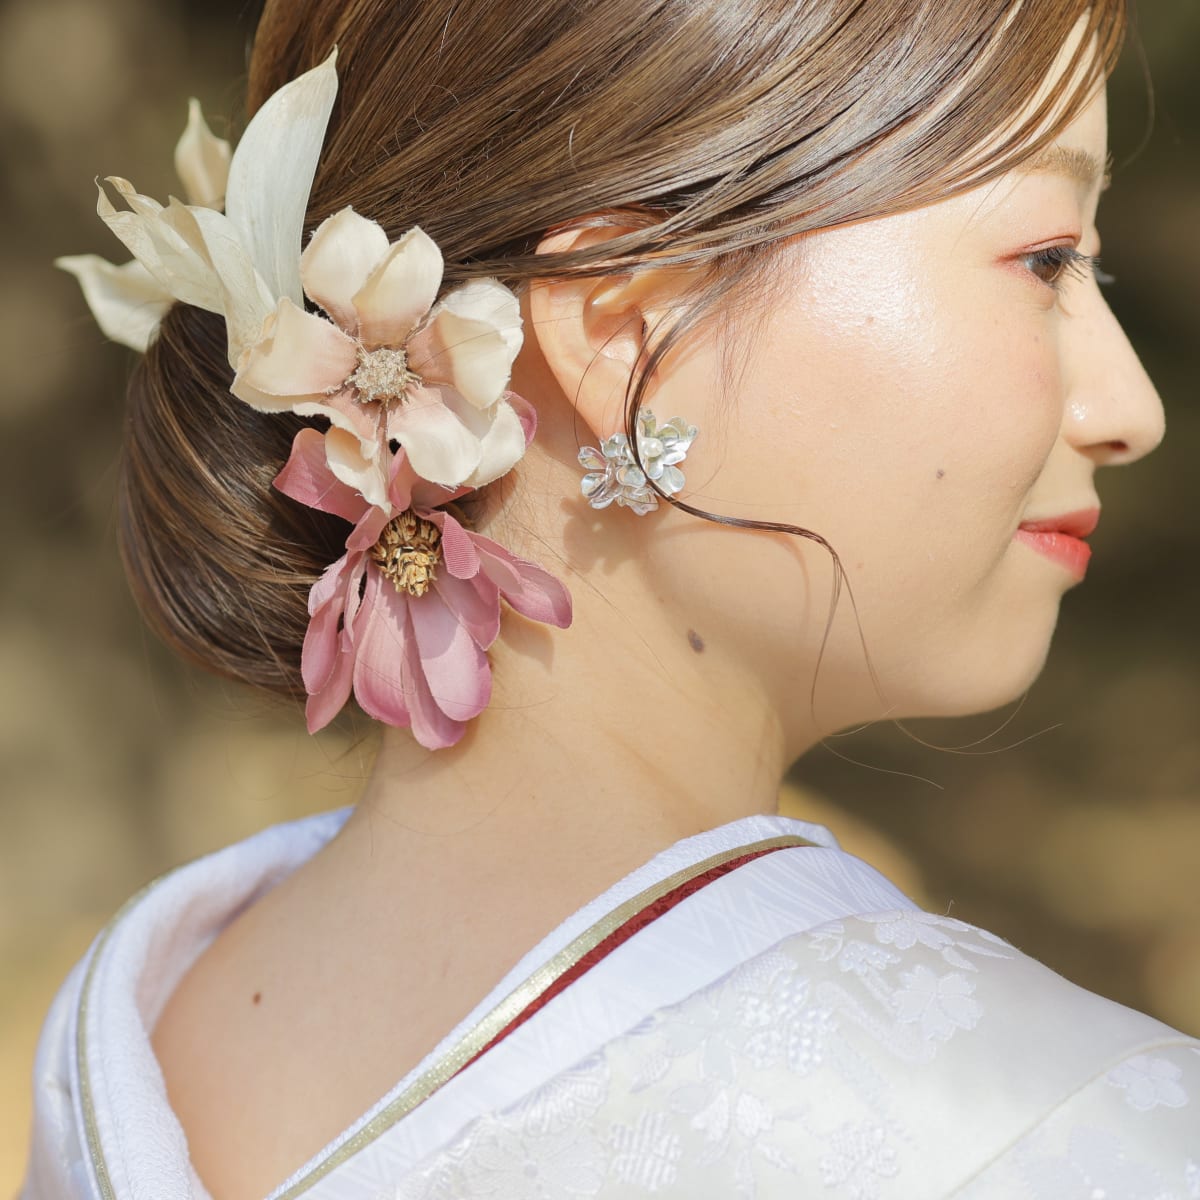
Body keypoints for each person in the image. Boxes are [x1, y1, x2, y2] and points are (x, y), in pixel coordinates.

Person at [24, 0, 1199, 1196]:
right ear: (628, 325)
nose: (1131, 407)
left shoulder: (126, 1038)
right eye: (1048, 262)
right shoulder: (1050, 1133)